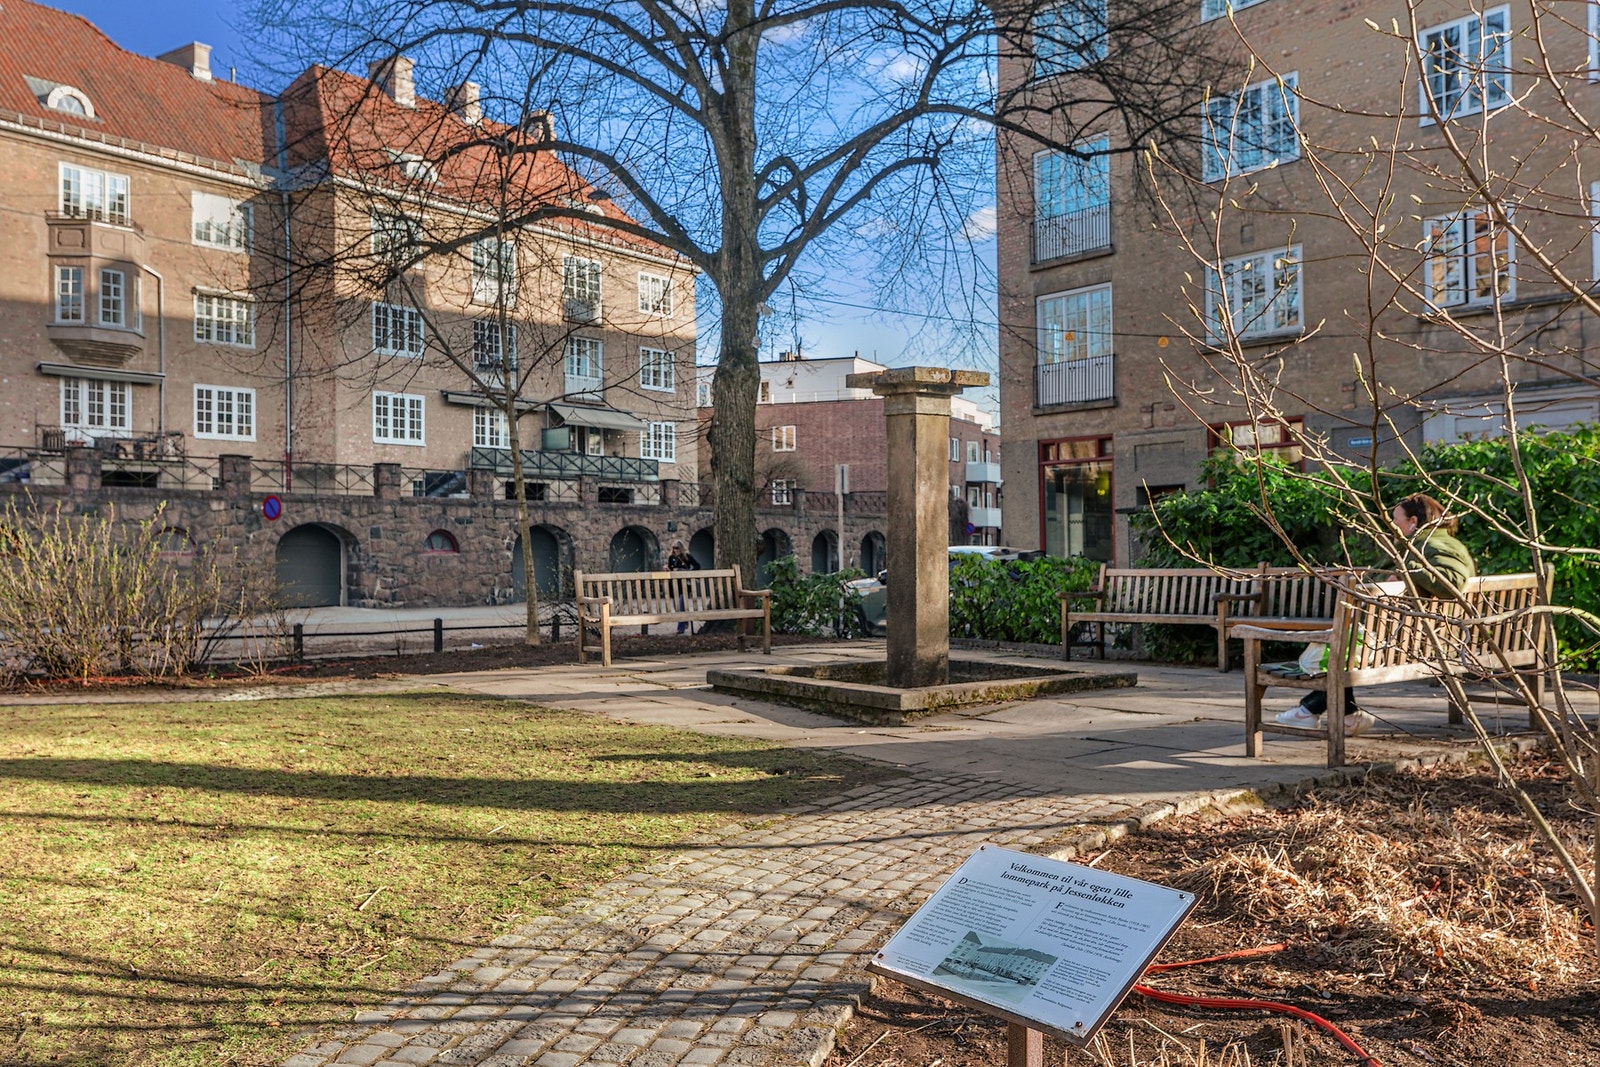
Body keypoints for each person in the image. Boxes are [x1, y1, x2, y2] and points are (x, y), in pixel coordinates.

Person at [1275, 493, 1477, 734]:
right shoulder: (1440, 543)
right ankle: (1344, 717)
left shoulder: (1429, 544)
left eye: (1395, 519)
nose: (1392, 525)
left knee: (1339, 652)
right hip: (1427, 637)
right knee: (1343, 650)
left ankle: (1308, 711)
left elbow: (1452, 582)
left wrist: (1405, 570)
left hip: (1407, 644)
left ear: (1413, 520)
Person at [667, 539, 700, 634]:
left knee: (681, 604)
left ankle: (680, 628)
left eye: (677, 548)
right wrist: (667, 569)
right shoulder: (671, 558)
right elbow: (671, 569)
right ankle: (685, 620)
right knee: (676, 606)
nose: (675, 550)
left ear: (681, 548)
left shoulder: (687, 557)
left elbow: (697, 566)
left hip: (684, 585)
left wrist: (688, 572)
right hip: (674, 585)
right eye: (674, 548)